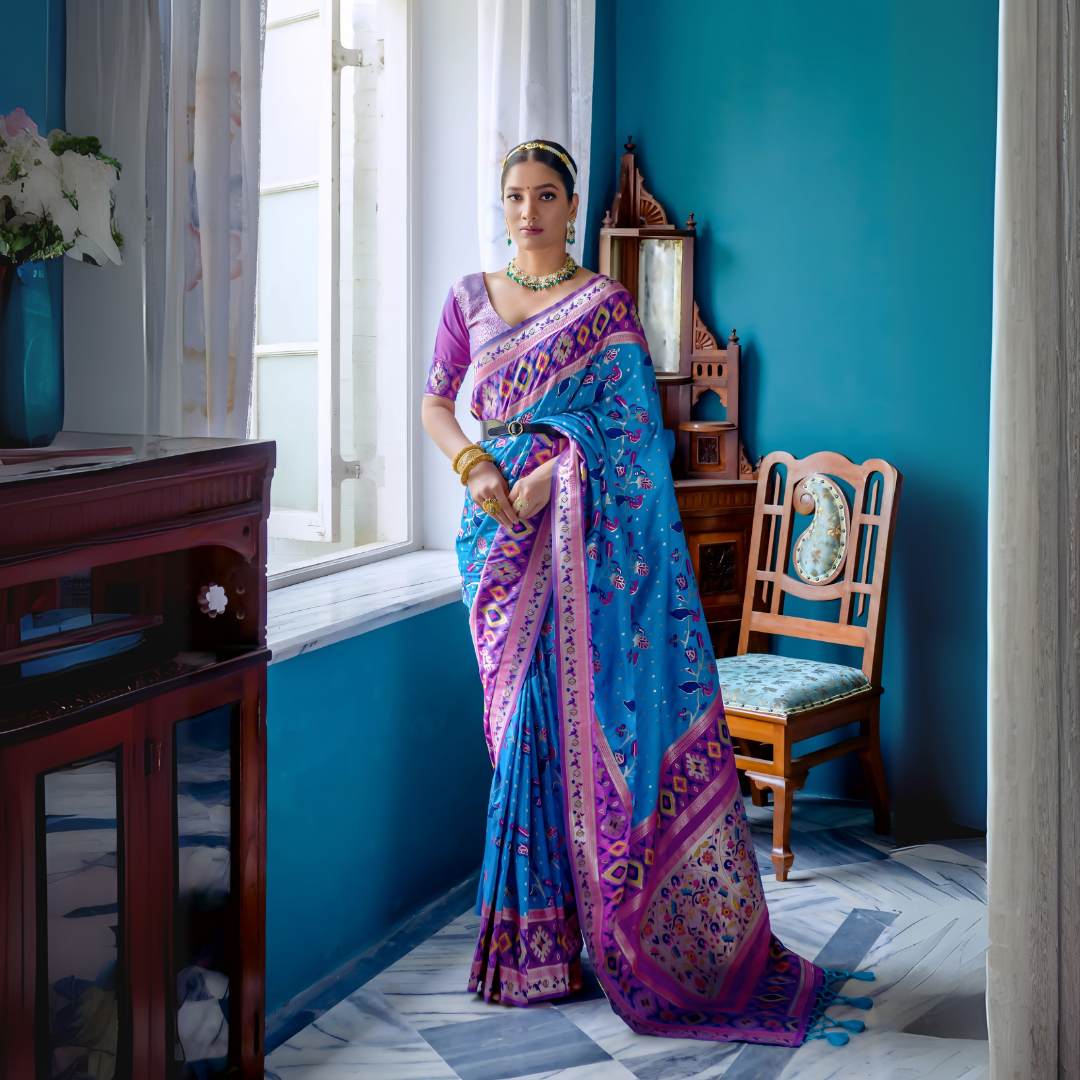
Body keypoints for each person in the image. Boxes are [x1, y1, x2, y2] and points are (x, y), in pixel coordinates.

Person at [421, 140, 868, 1046]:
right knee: (522, 738)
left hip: (580, 541)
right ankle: (529, 947)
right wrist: (476, 468)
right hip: (498, 546)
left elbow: (634, 431)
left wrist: (558, 473)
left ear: (571, 203)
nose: (528, 211)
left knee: (573, 729)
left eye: (546, 195)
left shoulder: (605, 306)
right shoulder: (468, 298)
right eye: (515, 196)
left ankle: (593, 938)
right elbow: (436, 402)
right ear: (500, 202)